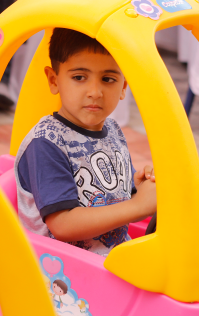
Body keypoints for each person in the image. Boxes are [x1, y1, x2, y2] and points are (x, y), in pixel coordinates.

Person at [14, 28, 157, 257]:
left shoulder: (112, 130)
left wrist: (137, 188)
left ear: (123, 87)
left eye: (108, 79)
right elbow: (62, 224)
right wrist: (137, 206)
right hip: (62, 278)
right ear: (54, 81)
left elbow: (113, 195)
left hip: (112, 262)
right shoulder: (47, 144)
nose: (95, 92)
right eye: (79, 77)